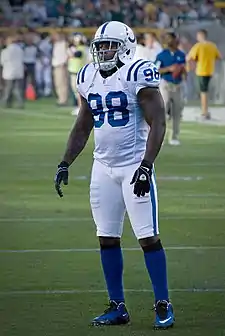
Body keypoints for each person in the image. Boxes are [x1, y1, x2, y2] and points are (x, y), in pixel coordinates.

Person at [54, 21, 174, 329]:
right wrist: (66, 161)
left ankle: (163, 303)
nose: (103, 51)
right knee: (107, 238)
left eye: (109, 45)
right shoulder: (87, 75)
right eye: (100, 45)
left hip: (134, 163)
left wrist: (146, 165)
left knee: (148, 237)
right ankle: (117, 306)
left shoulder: (138, 72)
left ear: (125, 46)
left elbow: (158, 122)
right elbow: (84, 123)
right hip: (102, 167)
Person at [155, 32, 186, 146]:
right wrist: (169, 68)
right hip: (166, 84)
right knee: (162, 111)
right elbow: (156, 69)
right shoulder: (161, 55)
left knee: (177, 112)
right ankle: (159, 137)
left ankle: (174, 136)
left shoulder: (181, 54)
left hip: (177, 85)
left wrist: (183, 72)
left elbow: (183, 70)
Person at [186, 29, 222, 120]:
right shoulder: (212, 46)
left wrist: (192, 65)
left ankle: (204, 112)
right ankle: (205, 110)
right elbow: (219, 57)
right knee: (205, 91)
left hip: (201, 70)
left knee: (203, 92)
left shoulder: (198, 46)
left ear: (201, 36)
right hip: (210, 70)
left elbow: (189, 57)